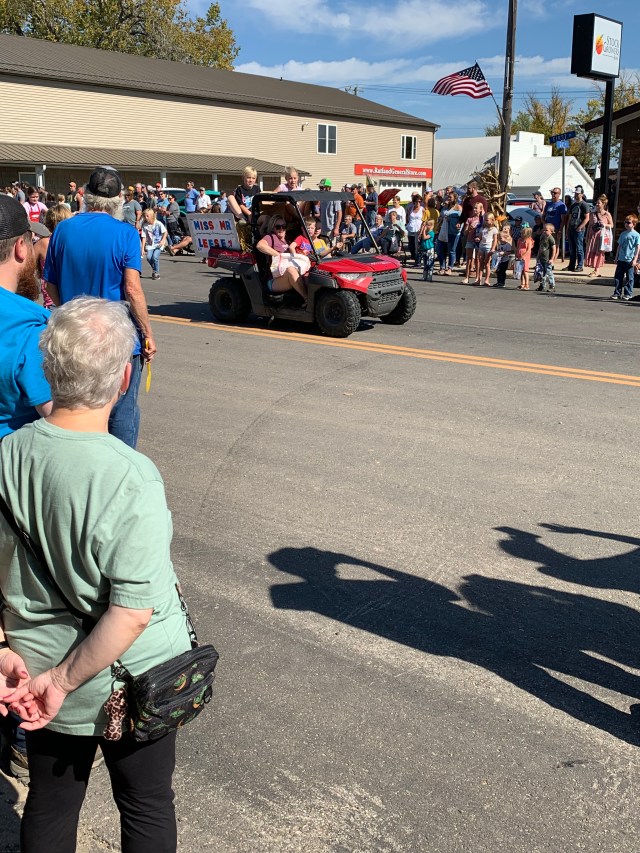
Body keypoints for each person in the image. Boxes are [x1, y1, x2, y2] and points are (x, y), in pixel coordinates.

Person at [0, 296, 193, 853]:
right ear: (124, 377)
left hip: (34, 667)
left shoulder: (6, 454)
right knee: (146, 801)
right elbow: (132, 612)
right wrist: (63, 682)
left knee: (51, 802)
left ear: (48, 369)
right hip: (127, 681)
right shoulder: (131, 475)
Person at [42, 167, 156, 449]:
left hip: (74, 334)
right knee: (122, 409)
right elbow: (132, 288)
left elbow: (50, 284)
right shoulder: (126, 233)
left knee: (75, 404)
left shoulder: (63, 229)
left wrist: (71, 312)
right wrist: (147, 333)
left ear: (87, 195)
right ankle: (120, 465)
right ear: (119, 199)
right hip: (116, 335)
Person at [256, 214, 308, 301]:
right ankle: (307, 300)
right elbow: (260, 245)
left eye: (284, 226)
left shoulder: (288, 241)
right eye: (278, 227)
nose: (281, 229)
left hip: (288, 275)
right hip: (275, 279)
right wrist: (277, 254)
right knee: (291, 270)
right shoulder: (271, 237)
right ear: (273, 228)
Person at [610, 214, 640, 301]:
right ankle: (617, 293)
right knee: (618, 277)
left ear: (634, 224)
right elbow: (619, 246)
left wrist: (635, 259)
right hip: (621, 259)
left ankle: (628, 294)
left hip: (630, 260)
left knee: (630, 278)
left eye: (628, 222)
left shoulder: (636, 235)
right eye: (625, 222)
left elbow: (637, 248)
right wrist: (616, 257)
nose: (626, 224)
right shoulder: (623, 234)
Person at [585, 195, 614, 278]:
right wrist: (587, 236)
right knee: (592, 251)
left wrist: (604, 224)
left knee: (599, 252)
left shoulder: (607, 214)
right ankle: (594, 269)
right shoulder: (593, 214)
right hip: (593, 235)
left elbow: (611, 225)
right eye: (596, 203)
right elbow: (590, 225)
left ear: (603, 204)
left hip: (601, 236)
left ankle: (596, 270)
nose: (597, 204)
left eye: (599, 203)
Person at [564, 187, 590, 272]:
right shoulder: (573, 205)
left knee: (579, 248)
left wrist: (580, 227)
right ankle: (571, 265)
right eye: (575, 193)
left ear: (582, 194)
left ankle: (580, 265)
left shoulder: (584, 205)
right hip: (571, 228)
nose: (576, 195)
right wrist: (567, 230)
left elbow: (587, 218)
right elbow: (570, 218)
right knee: (572, 249)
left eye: (578, 194)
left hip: (579, 230)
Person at [141, 208, 167, 280]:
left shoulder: (158, 223)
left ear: (152, 216)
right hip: (150, 244)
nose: (146, 218)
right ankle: (155, 268)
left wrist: (163, 240)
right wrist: (142, 249)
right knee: (149, 257)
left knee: (155, 257)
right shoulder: (145, 225)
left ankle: (156, 273)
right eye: (145, 216)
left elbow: (165, 232)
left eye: (147, 216)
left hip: (158, 243)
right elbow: (144, 237)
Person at [461, 202, 484, 284]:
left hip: (478, 241)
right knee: (469, 259)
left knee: (478, 259)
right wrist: (468, 229)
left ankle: (477, 278)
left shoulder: (482, 219)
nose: (474, 209)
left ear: (480, 209)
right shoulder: (469, 219)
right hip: (470, 240)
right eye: (474, 208)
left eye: (476, 208)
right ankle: (466, 277)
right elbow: (465, 232)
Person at [476, 212, 498, 286]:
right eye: (484, 220)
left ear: (492, 220)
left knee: (487, 264)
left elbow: (495, 240)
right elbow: (480, 236)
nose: (485, 221)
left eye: (487, 220)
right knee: (481, 263)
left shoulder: (494, 229)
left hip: (488, 247)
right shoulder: (483, 228)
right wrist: (478, 238)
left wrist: (493, 248)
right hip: (481, 246)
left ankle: (487, 280)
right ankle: (479, 279)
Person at [535, 223, 556, 292]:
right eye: (543, 230)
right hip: (541, 258)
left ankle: (552, 285)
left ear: (551, 231)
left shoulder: (551, 238)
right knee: (541, 273)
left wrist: (552, 259)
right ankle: (542, 285)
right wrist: (538, 256)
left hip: (547, 259)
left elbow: (554, 249)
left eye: (546, 230)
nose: (544, 231)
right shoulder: (542, 237)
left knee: (549, 272)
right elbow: (540, 248)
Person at [406, 194, 425, 264]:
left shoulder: (422, 209)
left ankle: (418, 259)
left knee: (418, 245)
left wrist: (422, 230)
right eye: (417, 201)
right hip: (411, 228)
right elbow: (407, 216)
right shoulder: (411, 208)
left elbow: (424, 220)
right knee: (411, 244)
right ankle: (413, 256)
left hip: (418, 229)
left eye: (420, 201)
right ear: (414, 201)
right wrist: (407, 224)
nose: (418, 203)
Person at [516, 224, 534, 290]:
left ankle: (527, 284)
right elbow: (518, 248)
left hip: (525, 257)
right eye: (521, 233)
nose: (521, 234)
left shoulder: (528, 240)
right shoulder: (519, 240)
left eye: (523, 233)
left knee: (525, 271)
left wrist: (523, 256)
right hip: (519, 256)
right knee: (521, 271)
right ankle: (522, 284)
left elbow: (528, 250)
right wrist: (516, 255)